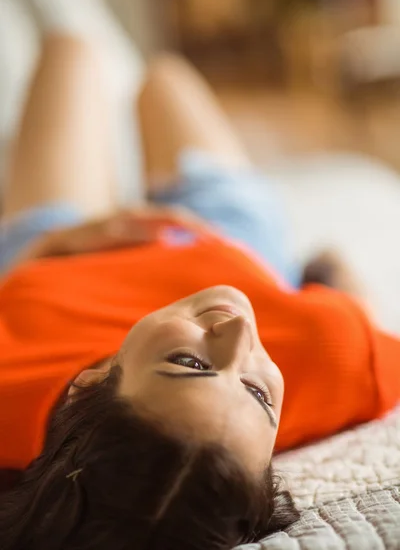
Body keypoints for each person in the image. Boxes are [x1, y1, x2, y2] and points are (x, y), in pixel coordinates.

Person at [0, 35, 399, 550]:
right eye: (256, 394)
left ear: (89, 384)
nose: (238, 331)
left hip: (55, 261)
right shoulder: (339, 359)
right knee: (165, 76)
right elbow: (352, 299)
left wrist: (54, 244)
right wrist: (331, 276)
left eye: (188, 363)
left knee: (70, 51)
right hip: (220, 235)